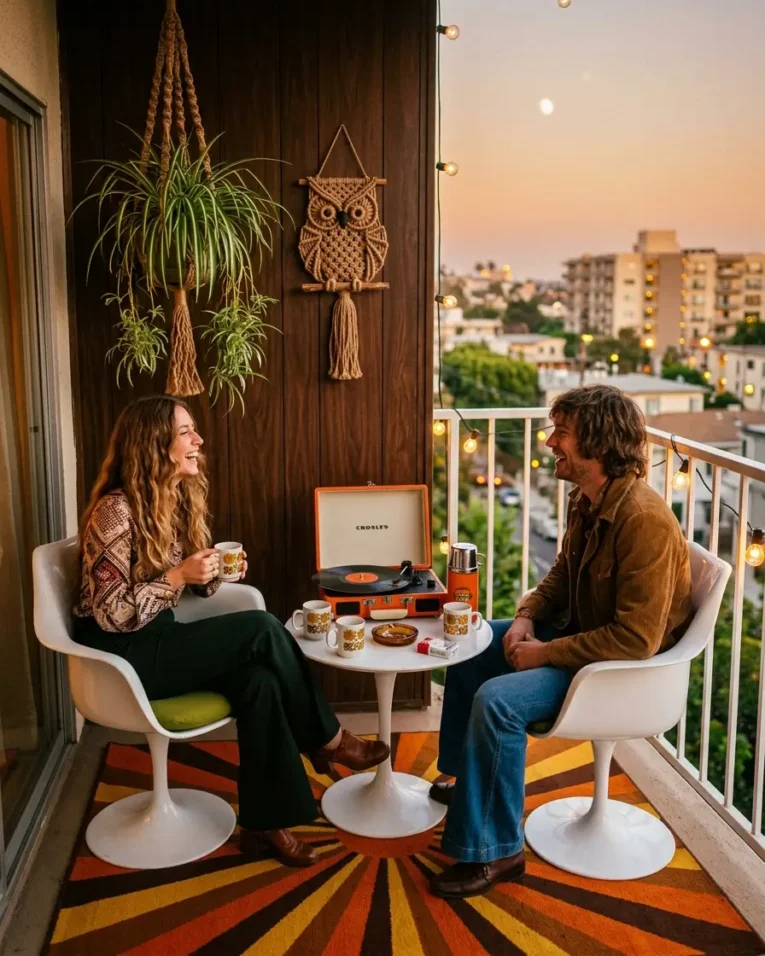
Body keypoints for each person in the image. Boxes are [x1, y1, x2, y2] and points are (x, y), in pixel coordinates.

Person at [74, 395, 388, 867]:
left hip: (158, 636)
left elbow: (189, 590)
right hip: (121, 655)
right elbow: (111, 613)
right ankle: (327, 739)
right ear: (152, 444)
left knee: (258, 684)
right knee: (261, 628)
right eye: (185, 432)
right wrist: (178, 577)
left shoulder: (171, 499)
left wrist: (212, 572)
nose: (198, 440)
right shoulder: (115, 511)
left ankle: (264, 824)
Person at [430, 384, 693, 900]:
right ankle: (469, 788)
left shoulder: (645, 521)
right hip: (580, 640)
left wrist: (544, 653)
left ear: (596, 442)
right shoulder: (588, 499)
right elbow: (559, 574)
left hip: (618, 673)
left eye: (563, 433)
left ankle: (498, 850)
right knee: (470, 649)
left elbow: (636, 640)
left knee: (498, 702)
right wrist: (527, 617)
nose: (550, 442)